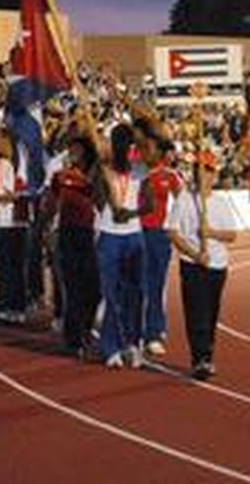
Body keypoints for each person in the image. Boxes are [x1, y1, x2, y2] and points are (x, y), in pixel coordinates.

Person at [82, 110, 148, 369]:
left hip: (133, 236)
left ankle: (132, 343)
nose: (124, 148)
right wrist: (102, 173)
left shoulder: (140, 169)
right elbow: (94, 192)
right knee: (111, 294)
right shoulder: (102, 169)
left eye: (128, 144)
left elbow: (161, 149)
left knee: (135, 293)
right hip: (109, 236)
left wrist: (132, 212)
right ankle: (111, 346)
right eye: (119, 143)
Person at [168, 147, 238, 381]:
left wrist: (211, 233)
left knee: (211, 312)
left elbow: (231, 235)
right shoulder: (185, 199)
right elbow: (173, 232)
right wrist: (195, 254)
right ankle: (200, 359)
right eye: (199, 170)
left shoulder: (220, 203)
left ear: (214, 174)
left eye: (207, 170)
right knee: (195, 312)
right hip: (192, 264)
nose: (203, 175)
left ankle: (207, 354)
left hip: (218, 265)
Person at [45, 131, 99, 357]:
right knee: (73, 288)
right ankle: (72, 339)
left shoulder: (95, 177)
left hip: (92, 235)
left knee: (95, 289)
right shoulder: (60, 176)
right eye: (71, 149)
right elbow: (51, 204)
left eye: (77, 149)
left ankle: (85, 327)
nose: (73, 153)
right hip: (67, 234)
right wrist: (48, 230)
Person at [135, 108, 181, 358]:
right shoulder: (135, 172)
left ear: (160, 151)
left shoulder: (171, 176)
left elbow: (183, 204)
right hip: (136, 232)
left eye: (150, 148)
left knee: (156, 285)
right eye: (142, 148)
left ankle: (153, 332)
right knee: (136, 284)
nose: (145, 152)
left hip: (158, 236)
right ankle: (135, 330)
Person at [0, 128, 29, 324]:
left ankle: (7, 306)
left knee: (5, 267)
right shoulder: (7, 164)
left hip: (5, 221)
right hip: (13, 221)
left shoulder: (4, 165)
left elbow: (4, 194)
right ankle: (16, 307)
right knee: (15, 268)